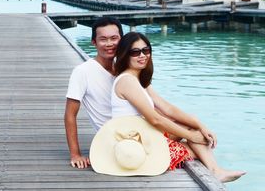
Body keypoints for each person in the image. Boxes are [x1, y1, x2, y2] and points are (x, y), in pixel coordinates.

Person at [109, 31, 245, 182]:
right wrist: (191, 136)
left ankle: (215, 170)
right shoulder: (127, 81)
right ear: (125, 55)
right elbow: (155, 120)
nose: (142, 55)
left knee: (193, 128)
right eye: (135, 52)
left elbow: (168, 109)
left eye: (146, 50)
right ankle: (215, 171)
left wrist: (200, 125)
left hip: (144, 135)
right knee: (195, 146)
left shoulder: (138, 79)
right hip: (135, 146)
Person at [64, 17, 123, 169]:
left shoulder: (125, 69)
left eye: (114, 38)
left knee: (189, 132)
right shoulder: (83, 72)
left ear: (122, 40)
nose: (109, 44)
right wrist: (75, 154)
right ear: (94, 42)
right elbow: (70, 115)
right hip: (115, 137)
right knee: (189, 133)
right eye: (103, 39)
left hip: (135, 129)